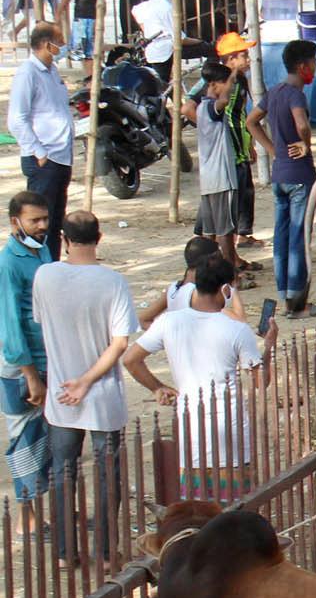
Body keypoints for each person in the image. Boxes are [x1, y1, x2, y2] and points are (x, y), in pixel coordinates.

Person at [33, 212, 136, 564]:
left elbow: (40, 322)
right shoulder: (112, 282)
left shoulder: (44, 276)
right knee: (108, 473)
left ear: (64, 238)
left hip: (62, 395)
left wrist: (75, 382)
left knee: (63, 472)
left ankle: (64, 552)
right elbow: (120, 343)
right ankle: (106, 551)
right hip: (103, 396)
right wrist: (88, 381)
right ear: (100, 237)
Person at [122, 254, 274, 489]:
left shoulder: (169, 322)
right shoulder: (237, 330)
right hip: (230, 431)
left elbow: (131, 360)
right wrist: (270, 345)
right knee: (235, 508)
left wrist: (157, 387)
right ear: (225, 289)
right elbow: (260, 382)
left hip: (190, 428)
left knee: (198, 507)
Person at [248, 41, 316, 317]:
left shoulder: (274, 92)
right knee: (298, 237)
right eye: (313, 62)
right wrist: (305, 144)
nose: (315, 67)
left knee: (281, 236)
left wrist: (273, 150)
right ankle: (297, 302)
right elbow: (301, 124)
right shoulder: (295, 95)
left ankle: (284, 296)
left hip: (280, 174)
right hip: (299, 175)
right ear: (302, 67)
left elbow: (251, 121)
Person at [0, 190, 52, 522]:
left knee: (45, 439)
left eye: (45, 219)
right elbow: (10, 325)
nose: (42, 226)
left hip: (47, 356)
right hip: (21, 366)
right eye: (35, 220)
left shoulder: (42, 249)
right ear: (15, 221)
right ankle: (26, 515)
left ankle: (43, 510)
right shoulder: (8, 263)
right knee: (23, 437)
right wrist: (30, 374)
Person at [7, 21, 72, 259]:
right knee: (38, 223)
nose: (63, 46)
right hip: (45, 158)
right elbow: (17, 119)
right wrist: (39, 152)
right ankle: (34, 269)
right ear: (47, 44)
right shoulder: (28, 73)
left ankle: (51, 268)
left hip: (61, 156)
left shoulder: (52, 71)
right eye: (60, 42)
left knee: (54, 222)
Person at [190, 61, 244, 274]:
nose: (228, 88)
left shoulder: (201, 108)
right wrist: (234, 73)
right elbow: (223, 100)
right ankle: (231, 277)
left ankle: (206, 273)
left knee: (210, 233)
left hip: (208, 180)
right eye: (223, 83)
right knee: (225, 233)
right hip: (221, 179)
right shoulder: (211, 108)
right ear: (212, 85)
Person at [131, 0, 176, 88]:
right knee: (162, 83)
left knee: (162, 82)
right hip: (164, 49)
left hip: (156, 47)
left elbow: (136, 10)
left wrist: (147, 30)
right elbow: (179, 38)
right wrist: (201, 43)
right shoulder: (166, 6)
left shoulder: (156, 0)